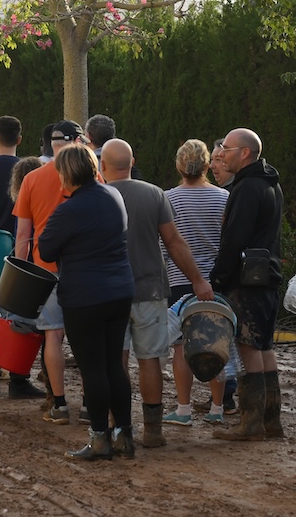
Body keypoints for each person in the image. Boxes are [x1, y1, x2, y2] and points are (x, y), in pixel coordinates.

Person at [101, 138, 214, 448]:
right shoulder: (154, 194)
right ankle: (153, 430)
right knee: (150, 359)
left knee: (116, 360)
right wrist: (198, 280)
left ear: (102, 165)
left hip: (109, 292)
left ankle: (119, 425)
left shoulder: (96, 196)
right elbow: (175, 242)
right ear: (133, 161)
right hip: (149, 289)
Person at [38, 144, 136, 461]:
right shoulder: (114, 196)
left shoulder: (68, 210)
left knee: (92, 368)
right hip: (120, 290)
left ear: (67, 174)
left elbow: (47, 250)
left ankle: (99, 438)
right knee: (113, 366)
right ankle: (124, 433)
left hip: (84, 296)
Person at [210, 128, 284, 441]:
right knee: (264, 346)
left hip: (246, 280)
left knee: (249, 348)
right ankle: (271, 420)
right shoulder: (271, 183)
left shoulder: (246, 187)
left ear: (244, 153)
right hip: (267, 275)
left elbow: (233, 239)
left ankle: (250, 423)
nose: (221, 154)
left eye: (226, 148)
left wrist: (218, 277)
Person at [158, 140, 234, 426]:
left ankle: (183, 408)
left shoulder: (167, 198)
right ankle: (217, 408)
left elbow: (165, 243)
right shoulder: (224, 198)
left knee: (181, 346)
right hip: (215, 281)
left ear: (179, 166)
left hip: (179, 280)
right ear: (206, 165)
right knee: (215, 342)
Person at [13, 120, 83, 423]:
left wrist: (21, 275)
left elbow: (22, 236)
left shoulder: (32, 179)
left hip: (45, 270)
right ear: (77, 142)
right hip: (83, 269)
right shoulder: (90, 175)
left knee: (52, 336)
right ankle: (91, 402)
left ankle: (58, 401)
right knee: (84, 337)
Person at [0, 116, 42, 398]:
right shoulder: (31, 169)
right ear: (21, 138)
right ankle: (18, 377)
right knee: (21, 317)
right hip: (21, 251)